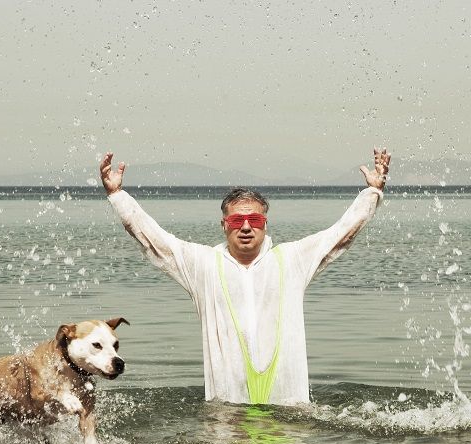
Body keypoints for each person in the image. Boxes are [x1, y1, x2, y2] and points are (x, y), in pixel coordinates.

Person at [100, 147, 390, 406]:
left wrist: (372, 193)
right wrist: (117, 196)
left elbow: (340, 235)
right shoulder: (204, 265)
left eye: (255, 220)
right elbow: (154, 240)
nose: (247, 227)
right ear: (224, 224)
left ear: (265, 224)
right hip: (228, 409)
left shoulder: (291, 259)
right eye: (237, 220)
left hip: (288, 407)